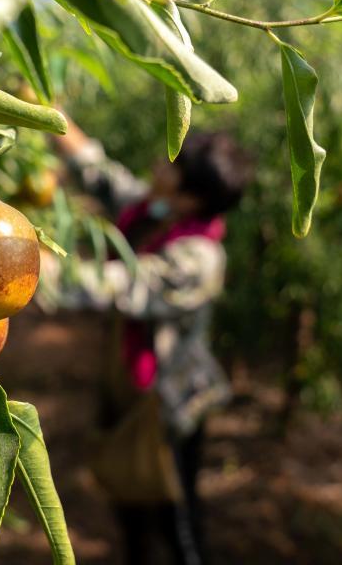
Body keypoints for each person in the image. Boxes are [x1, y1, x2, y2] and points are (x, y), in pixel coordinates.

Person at [38, 117, 253, 565]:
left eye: (172, 165)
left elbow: (119, 285)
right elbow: (101, 175)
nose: (158, 164)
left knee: (176, 517)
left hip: (168, 405)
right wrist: (47, 115)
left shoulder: (199, 259)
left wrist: (18, 260)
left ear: (189, 196)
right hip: (129, 384)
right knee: (130, 501)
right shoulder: (157, 212)